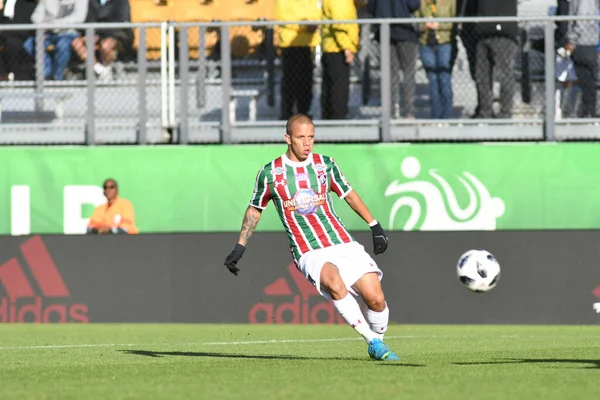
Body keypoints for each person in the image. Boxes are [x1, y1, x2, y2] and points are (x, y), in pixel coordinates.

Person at [223, 114, 400, 361]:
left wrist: (375, 226)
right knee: (334, 283)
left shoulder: (325, 165)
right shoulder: (270, 173)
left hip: (341, 241)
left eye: (311, 137)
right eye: (300, 137)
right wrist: (240, 247)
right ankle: (371, 341)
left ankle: (378, 342)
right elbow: (255, 209)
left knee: (376, 298)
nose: (307, 143)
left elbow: (348, 194)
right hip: (308, 249)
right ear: (288, 138)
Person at [275, 0, 321, 120]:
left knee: (306, 81)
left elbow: (316, 12)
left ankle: (304, 112)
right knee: (290, 81)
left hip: (308, 44)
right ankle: (287, 113)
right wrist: (304, 25)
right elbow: (283, 17)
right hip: (290, 45)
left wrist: (315, 23)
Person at [23, 0, 88, 81]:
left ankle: (57, 78)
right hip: (48, 34)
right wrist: (41, 24)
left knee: (62, 45)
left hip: (68, 33)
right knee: (29, 44)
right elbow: (35, 16)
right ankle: (46, 76)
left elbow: (79, 18)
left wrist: (53, 24)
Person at [416, 0, 456, 119]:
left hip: (444, 42)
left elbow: (453, 22)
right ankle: (435, 115)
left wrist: (439, 25)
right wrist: (424, 25)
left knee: (444, 78)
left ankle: (446, 116)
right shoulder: (422, 2)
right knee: (433, 80)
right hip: (426, 43)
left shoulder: (450, 2)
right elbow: (416, 19)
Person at [320, 0, 360, 120]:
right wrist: (347, 47)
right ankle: (338, 119)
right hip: (337, 49)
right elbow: (339, 25)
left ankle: (330, 118)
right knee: (339, 87)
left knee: (330, 87)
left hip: (332, 47)